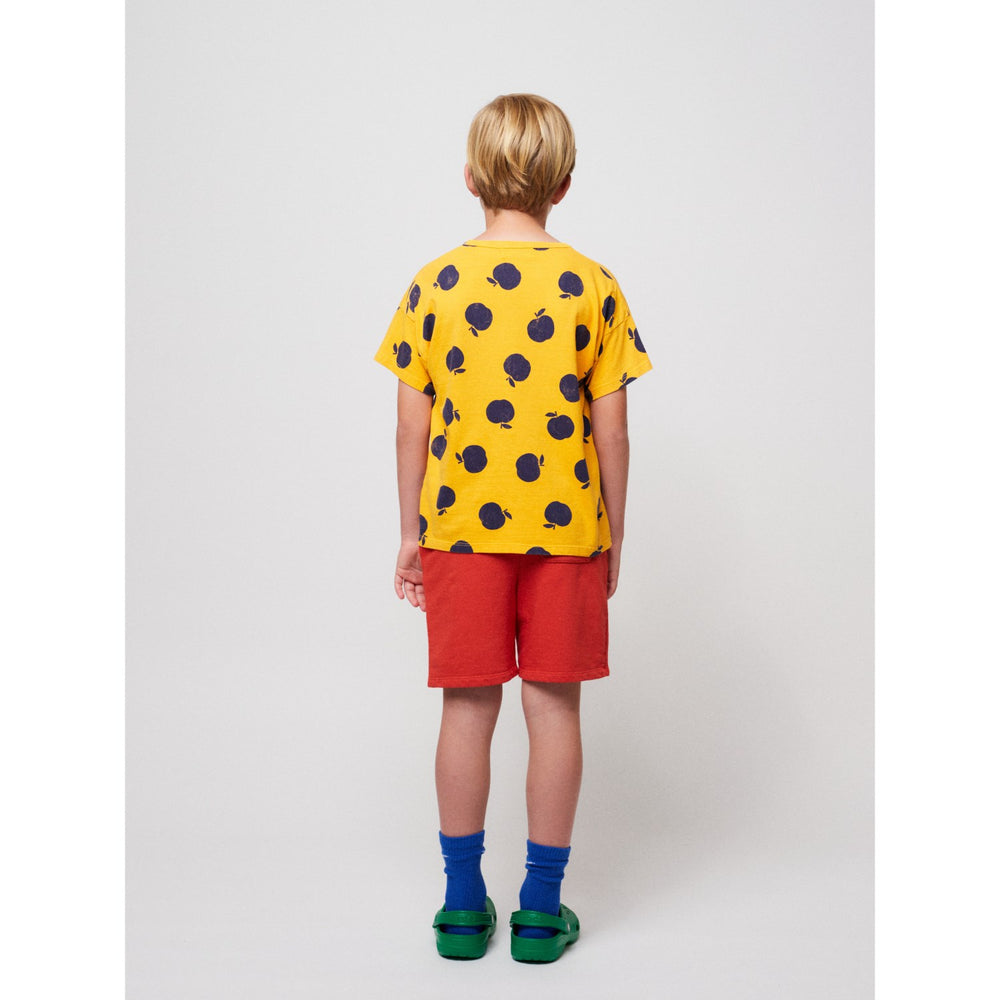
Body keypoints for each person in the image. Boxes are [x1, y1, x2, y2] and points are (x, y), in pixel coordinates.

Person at [373, 93, 652, 963]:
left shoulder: (434, 283)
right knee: (554, 708)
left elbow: (410, 426)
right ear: (563, 185)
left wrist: (412, 531)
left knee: (467, 706)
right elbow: (613, 431)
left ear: (469, 178)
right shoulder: (593, 285)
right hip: (567, 533)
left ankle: (461, 906)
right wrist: (613, 530)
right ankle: (539, 909)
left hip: (460, 530)